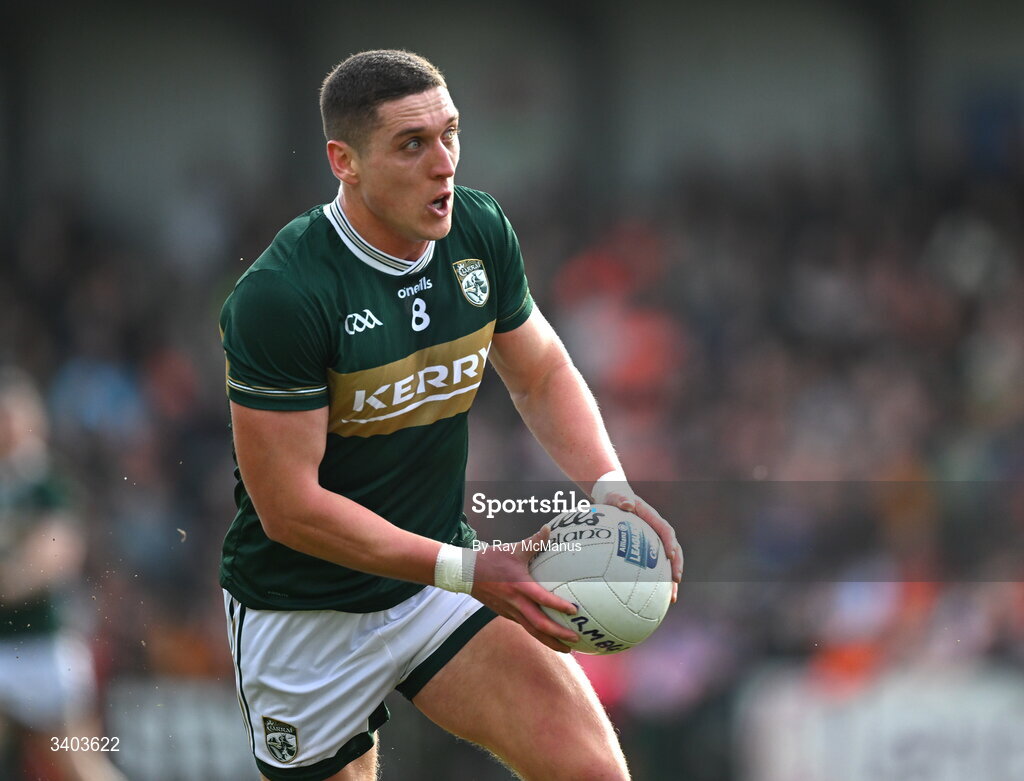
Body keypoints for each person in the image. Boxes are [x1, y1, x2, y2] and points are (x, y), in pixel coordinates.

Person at [219, 49, 682, 781]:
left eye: (450, 134)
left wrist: (610, 486)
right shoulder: (283, 295)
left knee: (593, 772)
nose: (445, 163)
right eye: (412, 144)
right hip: (302, 614)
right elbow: (290, 510)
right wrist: (467, 568)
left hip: (435, 588)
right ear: (345, 160)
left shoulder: (477, 231)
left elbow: (542, 372)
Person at [0, 367, 126, 781]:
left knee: (77, 762)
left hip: (42, 646)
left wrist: (13, 578)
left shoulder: (46, 483)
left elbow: (56, 553)